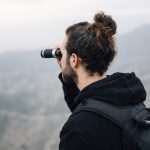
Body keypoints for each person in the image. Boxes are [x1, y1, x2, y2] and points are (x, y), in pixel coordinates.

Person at [56, 11, 146, 150]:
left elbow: (88, 116)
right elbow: (91, 108)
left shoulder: (76, 130)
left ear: (73, 60)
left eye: (63, 53)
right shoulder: (128, 97)